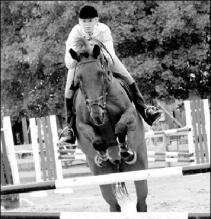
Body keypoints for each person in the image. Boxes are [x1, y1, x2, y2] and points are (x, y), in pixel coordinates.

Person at [60, 5, 162, 143]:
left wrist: (96, 54)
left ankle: (144, 111)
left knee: (128, 77)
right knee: (68, 92)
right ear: (79, 22)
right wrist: (78, 59)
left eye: (90, 21)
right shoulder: (74, 33)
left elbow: (110, 55)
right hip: (81, 64)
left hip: (104, 60)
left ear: (96, 20)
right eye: (84, 21)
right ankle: (69, 128)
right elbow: (68, 61)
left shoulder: (103, 30)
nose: (87, 25)